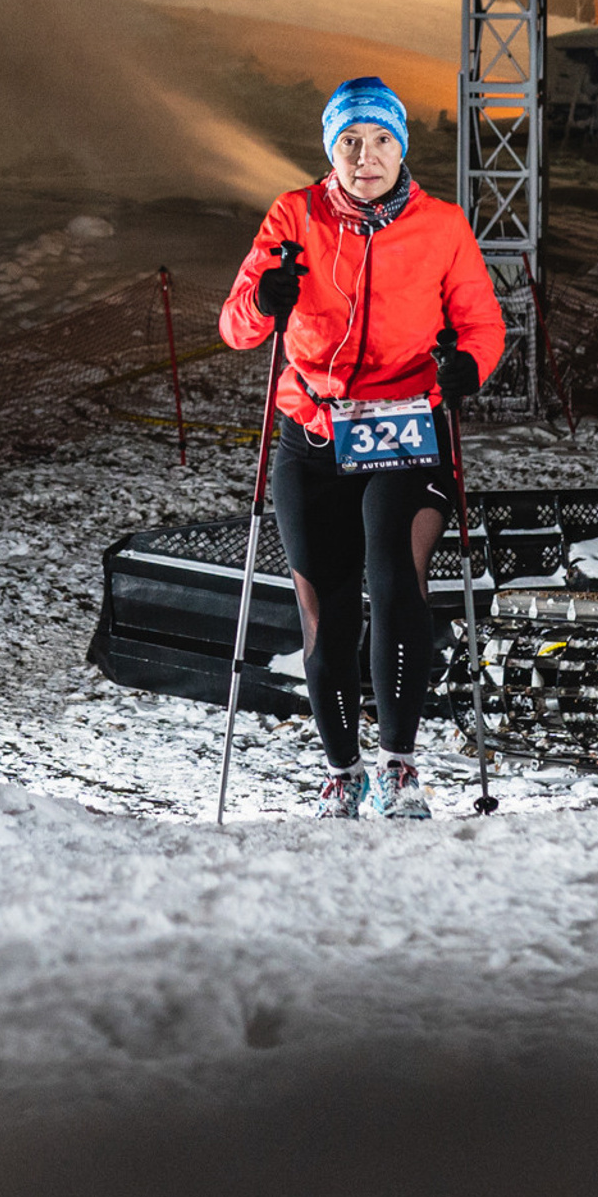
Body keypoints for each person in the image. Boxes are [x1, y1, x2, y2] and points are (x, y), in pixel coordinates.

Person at [220, 77, 505, 819]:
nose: (365, 156)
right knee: (327, 610)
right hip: (314, 433)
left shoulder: (441, 226)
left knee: (395, 577)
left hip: (405, 429)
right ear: (331, 151)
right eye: (349, 141)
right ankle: (342, 771)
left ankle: (400, 767)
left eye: (380, 140)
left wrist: (465, 367)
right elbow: (236, 325)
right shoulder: (294, 215)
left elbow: (482, 324)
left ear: (400, 148)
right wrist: (263, 301)